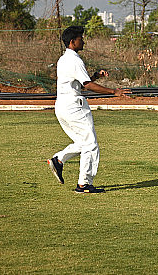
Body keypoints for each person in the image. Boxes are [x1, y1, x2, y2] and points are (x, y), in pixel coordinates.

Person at [47, 25, 129, 194]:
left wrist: (96, 76)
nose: (83, 40)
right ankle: (84, 184)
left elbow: (80, 83)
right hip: (75, 107)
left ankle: (59, 159)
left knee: (83, 143)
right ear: (72, 42)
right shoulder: (75, 60)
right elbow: (87, 85)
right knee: (90, 145)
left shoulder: (63, 59)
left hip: (62, 106)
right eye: (80, 38)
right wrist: (114, 91)